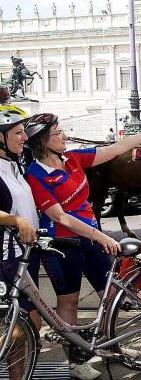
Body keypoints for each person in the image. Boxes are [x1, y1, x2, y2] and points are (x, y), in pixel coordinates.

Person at [24, 113, 141, 380]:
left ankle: (112, 345)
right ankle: (75, 361)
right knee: (69, 302)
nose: (64, 136)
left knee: (111, 292)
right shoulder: (35, 174)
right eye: (58, 133)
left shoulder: (73, 158)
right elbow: (60, 216)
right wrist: (100, 236)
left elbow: (114, 149)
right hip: (62, 243)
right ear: (42, 141)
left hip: (93, 239)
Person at [0, 105, 41, 380]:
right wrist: (17, 221)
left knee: (29, 323)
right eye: (18, 132)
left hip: (24, 255)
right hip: (4, 257)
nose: (24, 137)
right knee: (12, 328)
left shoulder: (15, 165)